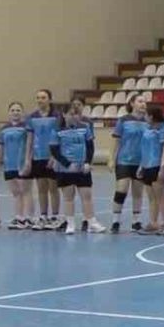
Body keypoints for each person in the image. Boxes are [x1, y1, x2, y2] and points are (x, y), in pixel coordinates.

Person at [51, 99, 103, 234]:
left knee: (86, 195)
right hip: (65, 169)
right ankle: (70, 223)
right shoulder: (57, 130)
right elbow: (54, 150)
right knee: (68, 197)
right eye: (71, 114)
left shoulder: (85, 128)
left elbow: (90, 147)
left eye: (76, 114)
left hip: (82, 168)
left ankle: (92, 222)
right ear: (64, 115)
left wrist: (87, 162)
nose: (74, 116)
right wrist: (67, 164)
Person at [109, 94, 150, 233]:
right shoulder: (123, 120)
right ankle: (115, 221)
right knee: (121, 189)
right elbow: (116, 140)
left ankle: (136, 221)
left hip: (141, 162)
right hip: (124, 160)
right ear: (132, 103)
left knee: (138, 192)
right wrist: (111, 159)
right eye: (140, 101)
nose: (143, 104)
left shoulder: (148, 121)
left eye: (144, 102)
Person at [26, 89, 63, 231]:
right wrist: (28, 158)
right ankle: (43, 216)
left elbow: (59, 136)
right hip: (38, 156)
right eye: (38, 97)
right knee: (41, 188)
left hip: (52, 156)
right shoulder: (32, 117)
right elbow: (30, 138)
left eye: (43, 97)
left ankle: (55, 216)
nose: (40, 100)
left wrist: (54, 156)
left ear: (49, 99)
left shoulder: (57, 116)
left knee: (53, 188)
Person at [0, 102, 35, 229]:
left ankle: (29, 218)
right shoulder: (4, 128)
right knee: (16, 192)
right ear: (9, 112)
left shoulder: (27, 127)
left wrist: (28, 161)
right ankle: (19, 217)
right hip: (9, 164)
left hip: (22, 163)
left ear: (22, 112)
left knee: (26, 191)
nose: (15, 112)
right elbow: (0, 146)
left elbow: (31, 145)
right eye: (13, 110)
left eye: (18, 110)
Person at [139, 105, 164, 235]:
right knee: (151, 197)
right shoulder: (147, 129)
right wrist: (141, 166)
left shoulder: (163, 130)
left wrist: (163, 167)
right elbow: (144, 148)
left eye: (146, 115)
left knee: (161, 197)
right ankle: (153, 222)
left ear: (151, 116)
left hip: (157, 165)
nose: (144, 117)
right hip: (146, 165)